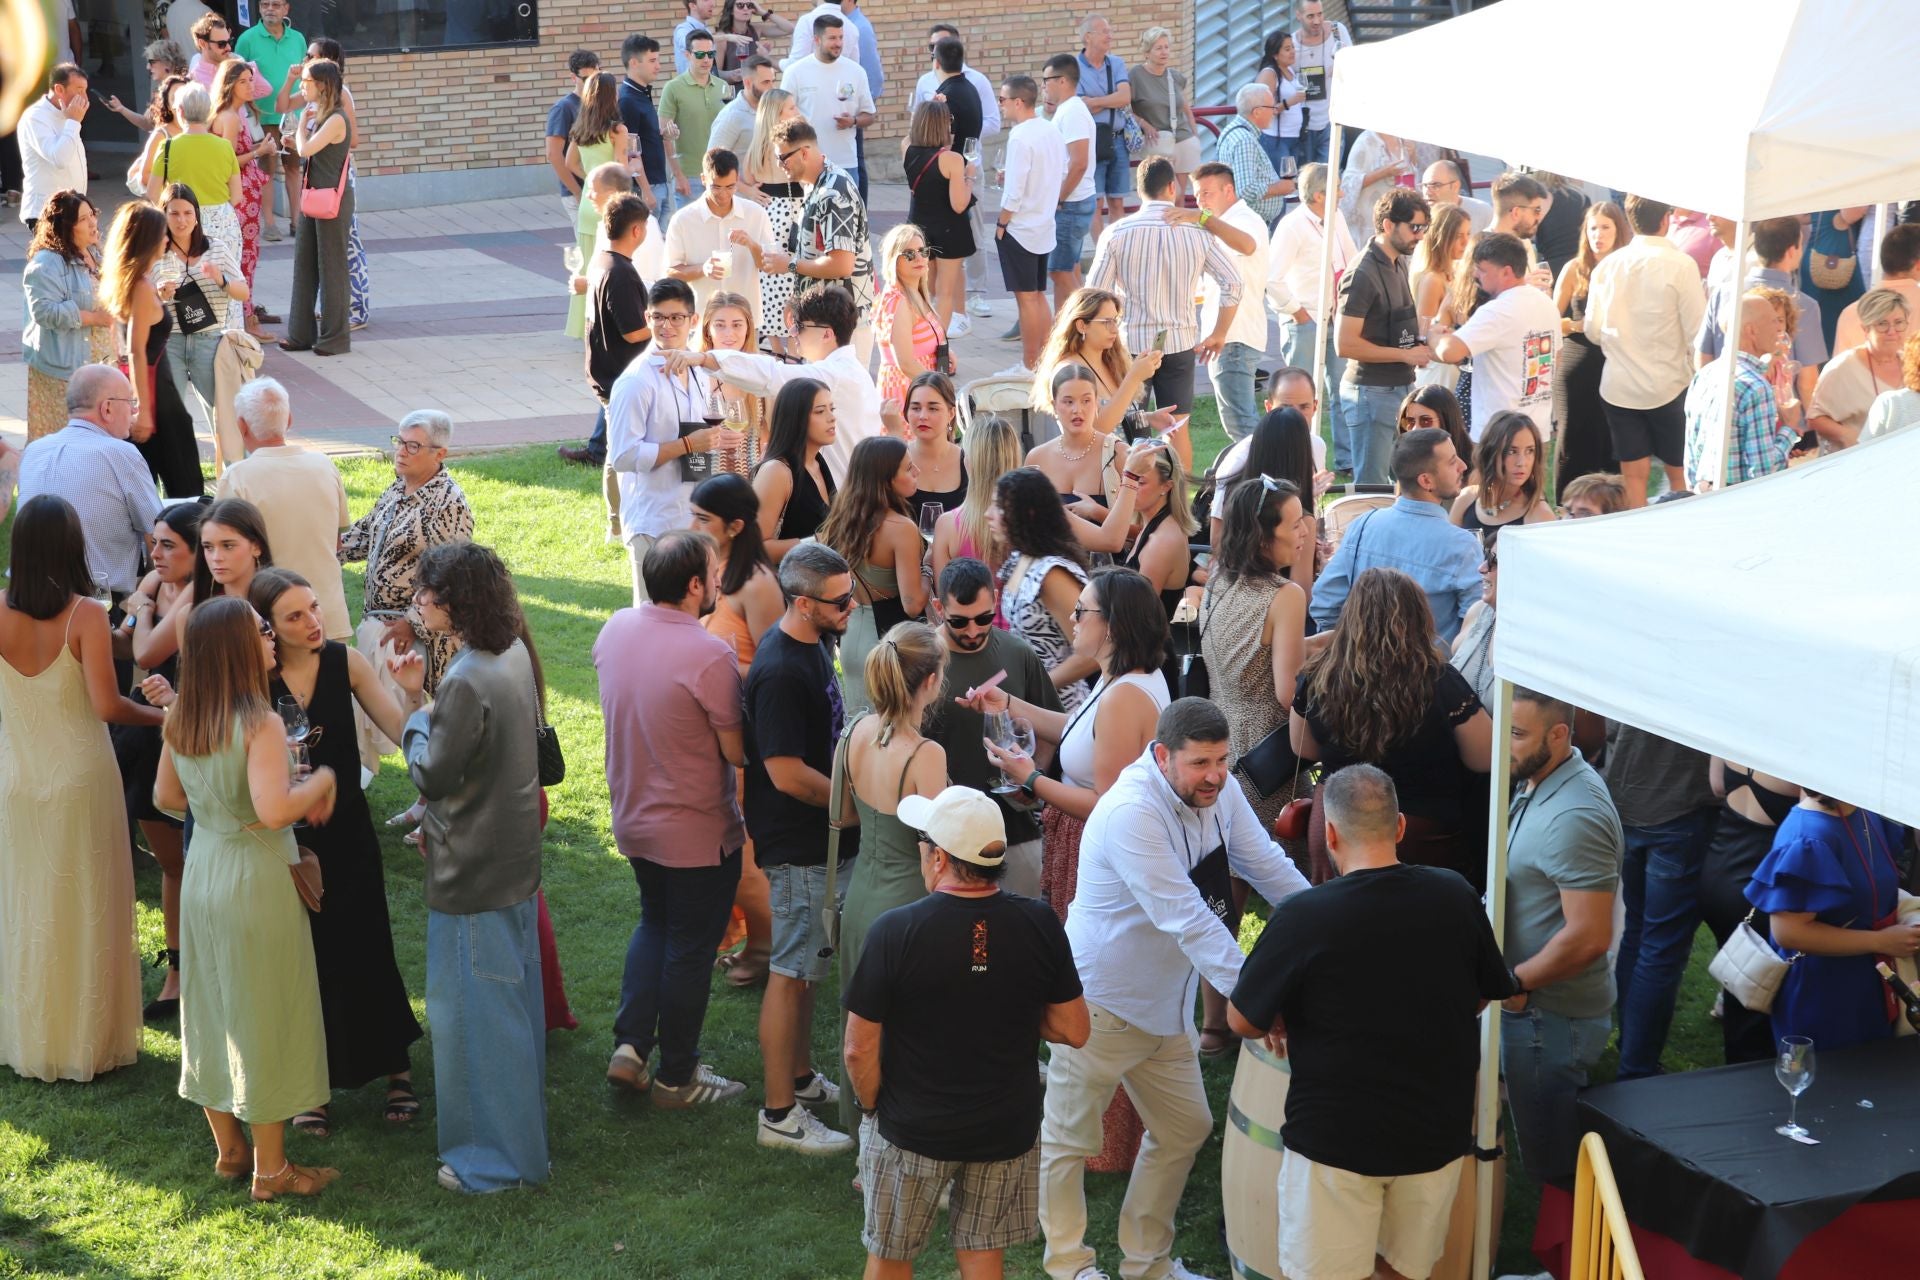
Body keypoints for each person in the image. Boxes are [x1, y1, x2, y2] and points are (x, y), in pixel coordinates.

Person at [1036, 698, 1311, 1280]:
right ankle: (1069, 1267)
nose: (1215, 775)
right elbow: (1188, 919)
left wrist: (1327, 916)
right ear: (1162, 757)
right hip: (1098, 1003)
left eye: (1221, 759)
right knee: (1067, 1140)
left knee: (1186, 1128)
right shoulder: (1129, 813)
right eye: (1200, 763)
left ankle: (1147, 1265)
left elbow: (1263, 861)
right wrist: (1257, 999)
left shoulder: (1219, 788)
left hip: (1165, 1006)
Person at [1228, 764, 1518, 1280]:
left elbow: (1240, 1020)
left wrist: (1278, 1013)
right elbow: (1485, 994)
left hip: (1335, 1141)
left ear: (1331, 833)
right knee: (1404, 1272)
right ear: (1400, 826)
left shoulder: (1303, 916)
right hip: (1435, 1134)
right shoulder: (1455, 895)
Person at [966, 565, 1171, 1175]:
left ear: (1112, 626)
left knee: (1092, 989)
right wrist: (1010, 705)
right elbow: (1074, 729)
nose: (1072, 619)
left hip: (1099, 856)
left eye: (1083, 611)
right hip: (1079, 846)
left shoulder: (1127, 694)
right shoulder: (1120, 680)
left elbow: (1108, 804)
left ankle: (1102, 1146)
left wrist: (1031, 780)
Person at [844, 785, 1088, 1280]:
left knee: (890, 1260)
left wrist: (873, 1108)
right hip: (1005, 1130)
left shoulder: (895, 931)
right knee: (982, 1262)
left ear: (938, 857)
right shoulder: (1040, 922)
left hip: (911, 1129)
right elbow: (1073, 1029)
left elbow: (857, 1048)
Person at [153, 595, 337, 1200]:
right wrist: (321, 782)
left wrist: (222, 809)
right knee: (263, 1012)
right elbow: (274, 809)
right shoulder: (260, 721)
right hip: (253, 878)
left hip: (204, 868)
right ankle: (273, 1169)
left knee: (210, 1009)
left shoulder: (183, 716)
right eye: (260, 630)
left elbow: (166, 798)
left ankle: (230, 1151)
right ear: (236, 648)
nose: (270, 638)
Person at [237, 569, 424, 1133]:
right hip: (282, 837)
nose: (314, 622)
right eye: (295, 616)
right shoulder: (252, 681)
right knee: (304, 957)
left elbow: (404, 734)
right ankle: (312, 1082)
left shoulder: (345, 663)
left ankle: (397, 1068)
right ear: (268, 627)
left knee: (368, 939)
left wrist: (412, 692)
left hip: (347, 833)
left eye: (315, 608)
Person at [389, 543, 548, 1194]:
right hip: (511, 860)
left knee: (474, 1022)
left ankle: (492, 1163)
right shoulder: (511, 652)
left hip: (471, 871)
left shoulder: (468, 676)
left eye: (425, 596)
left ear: (454, 603)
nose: (417, 606)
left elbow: (433, 769)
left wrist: (411, 712)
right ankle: (518, 1141)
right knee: (510, 1010)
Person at [0, 496, 159, 1084]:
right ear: (73, 546)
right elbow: (107, 704)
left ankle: (27, 1033)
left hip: (16, 777)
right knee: (87, 905)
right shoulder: (85, 614)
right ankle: (86, 1038)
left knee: (26, 904)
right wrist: (166, 719)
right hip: (80, 776)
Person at [596, 531, 751, 1106]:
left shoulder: (615, 628)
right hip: (696, 830)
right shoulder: (710, 652)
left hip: (633, 816)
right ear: (693, 585)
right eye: (713, 573)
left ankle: (631, 1048)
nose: (719, 581)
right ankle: (677, 1076)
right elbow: (737, 752)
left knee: (654, 924)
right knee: (690, 945)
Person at [743, 541, 860, 1156]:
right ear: (802, 602)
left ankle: (800, 1078)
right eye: (839, 602)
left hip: (821, 842)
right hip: (799, 848)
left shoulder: (813, 645)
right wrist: (851, 802)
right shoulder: (783, 670)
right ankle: (778, 1114)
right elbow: (786, 773)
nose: (851, 606)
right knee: (790, 974)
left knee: (808, 968)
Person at [1294, 567, 1492, 887]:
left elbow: (1302, 747)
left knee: (1339, 921)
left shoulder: (1318, 675)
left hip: (1338, 823)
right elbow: (1484, 757)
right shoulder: (1439, 681)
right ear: (1418, 618)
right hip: (1417, 836)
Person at [1501, 686, 1623, 1190]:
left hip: (1549, 1018)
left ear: (1559, 735)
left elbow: (1590, 936)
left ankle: (1567, 1257)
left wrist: (1515, 983)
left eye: (1517, 734)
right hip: (1534, 1009)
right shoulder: (1540, 775)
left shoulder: (1576, 816)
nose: (1505, 744)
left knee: (1556, 1162)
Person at [831, 621, 950, 1131]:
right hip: (908, 903)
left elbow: (843, 813)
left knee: (862, 1019)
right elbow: (939, 854)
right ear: (929, 682)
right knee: (909, 1029)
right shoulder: (926, 755)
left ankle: (862, 1132)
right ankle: (896, 1138)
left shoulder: (855, 729)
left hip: (860, 897)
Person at [336, 411, 474, 777]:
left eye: (414, 446)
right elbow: (363, 537)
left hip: (419, 636)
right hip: (379, 624)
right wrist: (320, 545)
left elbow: (454, 576)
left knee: (426, 723)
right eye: (399, 442)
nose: (402, 452)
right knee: (372, 715)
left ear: (439, 454)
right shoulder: (397, 489)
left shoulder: (448, 502)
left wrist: (413, 623)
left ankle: (433, 799)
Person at [1088, 156, 1247, 470]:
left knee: (1130, 429)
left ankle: (1129, 501)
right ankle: (1181, 506)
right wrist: (1218, 333)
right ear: (1173, 187)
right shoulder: (1196, 232)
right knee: (1177, 430)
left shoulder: (1117, 232)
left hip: (1131, 344)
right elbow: (1234, 282)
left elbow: (1095, 293)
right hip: (1180, 342)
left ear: (1139, 189)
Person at [690, 474, 783, 984]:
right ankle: (755, 946)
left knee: (743, 855)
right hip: (710, 737)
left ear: (736, 525)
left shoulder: (758, 585)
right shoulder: (715, 569)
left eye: (703, 519)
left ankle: (767, 952)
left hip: (744, 740)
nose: (693, 526)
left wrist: (711, 666)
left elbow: (778, 670)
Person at [923, 557, 1063, 894]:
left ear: (995, 602)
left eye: (983, 618)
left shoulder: (1017, 653)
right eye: (959, 621)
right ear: (939, 607)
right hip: (944, 837)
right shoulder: (921, 660)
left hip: (1014, 832)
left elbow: (1050, 730)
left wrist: (1031, 781)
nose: (972, 631)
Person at [606, 277, 746, 606]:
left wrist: (716, 440)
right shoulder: (636, 381)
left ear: (693, 321)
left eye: (676, 318)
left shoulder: (697, 371)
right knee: (654, 617)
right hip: (654, 521)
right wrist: (687, 446)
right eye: (659, 317)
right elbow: (623, 456)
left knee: (696, 616)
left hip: (692, 519)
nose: (666, 326)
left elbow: (698, 433)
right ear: (647, 319)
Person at [116, 501, 204, 1019]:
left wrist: (143, 605)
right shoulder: (156, 583)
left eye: (168, 544)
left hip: (193, 737)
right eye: (154, 542)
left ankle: (205, 967)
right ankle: (176, 971)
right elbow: (126, 643)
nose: (155, 552)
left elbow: (145, 650)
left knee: (198, 861)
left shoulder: (199, 593)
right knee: (171, 864)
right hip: (148, 738)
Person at [1746, 790, 1919, 1053]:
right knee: (1831, 1084)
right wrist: (1881, 940)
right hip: (1825, 994)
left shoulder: (1863, 811)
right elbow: (1789, 933)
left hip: (1869, 984)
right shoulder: (1809, 835)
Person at [1604, 719, 1720, 1082]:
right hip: (1676, 811)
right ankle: (1636, 1068)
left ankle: (1632, 1052)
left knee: (1640, 933)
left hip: (1630, 802)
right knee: (1659, 947)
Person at [681, 282, 881, 482]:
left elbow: (773, 375)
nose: (793, 334)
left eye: (799, 327)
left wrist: (703, 359)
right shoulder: (850, 371)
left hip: (846, 493)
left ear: (827, 334)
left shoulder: (832, 374)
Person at [1200, 476, 1310, 834]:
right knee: (1281, 873)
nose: (1305, 533)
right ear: (1263, 537)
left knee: (1227, 870)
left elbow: (1251, 653)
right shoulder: (1285, 595)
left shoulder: (1218, 580)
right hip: (1266, 760)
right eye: (1296, 525)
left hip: (1217, 744)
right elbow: (1288, 693)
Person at [1583, 195, 1708, 505]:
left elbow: (1592, 331)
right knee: (1680, 474)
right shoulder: (1681, 264)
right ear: (1666, 219)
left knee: (1634, 475)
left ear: (1628, 220)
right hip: (1670, 382)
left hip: (1620, 385)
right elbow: (1697, 331)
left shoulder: (1608, 266)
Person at [1310, 427, 1481, 643]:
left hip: (1360, 671)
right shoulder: (1463, 546)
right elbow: (1476, 631)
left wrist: (1353, 651)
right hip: (1433, 672)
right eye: (1452, 461)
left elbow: (1324, 604)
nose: (1463, 466)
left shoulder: (1363, 525)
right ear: (1426, 481)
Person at [216, 377, 353, 642]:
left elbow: (224, 560)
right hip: (327, 616)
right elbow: (337, 542)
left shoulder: (237, 478)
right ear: (288, 420)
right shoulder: (324, 466)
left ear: (241, 426)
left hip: (273, 623)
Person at [15, 365, 165, 597]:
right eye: (130, 402)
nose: (134, 412)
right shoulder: (121, 453)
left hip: (28, 594)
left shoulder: (34, 450)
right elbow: (156, 535)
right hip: (98, 600)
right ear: (107, 408)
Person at [97, 202, 203, 497]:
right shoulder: (141, 288)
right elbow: (136, 351)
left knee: (143, 487)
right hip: (157, 398)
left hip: (145, 393)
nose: (167, 238)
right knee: (185, 488)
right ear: (146, 240)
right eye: (161, 234)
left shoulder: (127, 283)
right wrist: (144, 411)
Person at [1699, 762, 1801, 1065]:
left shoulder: (1737, 731)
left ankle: (1739, 1078)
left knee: (1740, 992)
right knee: (1761, 1009)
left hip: (1718, 869)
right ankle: (1754, 1088)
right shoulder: (1797, 754)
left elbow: (1717, 785)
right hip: (1758, 886)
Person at [818, 435, 927, 715]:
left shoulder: (840, 521)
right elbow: (913, 603)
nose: (917, 471)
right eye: (908, 468)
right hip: (889, 642)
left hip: (851, 636)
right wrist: (929, 569)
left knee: (861, 733)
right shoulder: (900, 528)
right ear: (886, 479)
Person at [1336, 189, 1433, 485]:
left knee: (1406, 479)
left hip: (1399, 386)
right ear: (1389, 225)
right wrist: (1406, 355)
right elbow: (1345, 343)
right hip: (1370, 393)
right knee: (1372, 485)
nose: (1420, 236)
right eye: (1414, 228)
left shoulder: (1397, 260)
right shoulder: (1362, 273)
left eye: (1424, 229)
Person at [764, 120, 876, 365]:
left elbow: (841, 265)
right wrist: (796, 301)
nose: (779, 165)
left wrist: (790, 265)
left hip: (843, 326)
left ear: (804, 152)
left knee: (842, 402)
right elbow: (814, 253)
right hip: (825, 322)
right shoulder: (817, 186)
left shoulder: (833, 193)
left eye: (782, 158)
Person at [1266, 163, 1356, 467]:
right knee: (1297, 399)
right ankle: (1296, 458)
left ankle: (1346, 460)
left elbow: (1351, 259)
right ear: (1319, 195)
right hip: (1305, 324)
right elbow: (1271, 278)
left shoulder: (1336, 217)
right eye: (1337, 188)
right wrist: (1299, 314)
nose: (1342, 193)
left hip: (1336, 318)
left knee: (1344, 392)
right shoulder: (1291, 226)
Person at [1432, 232, 1561, 444]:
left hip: (1498, 433)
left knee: (1488, 479)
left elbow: (1449, 351)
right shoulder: (1546, 303)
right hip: (1536, 430)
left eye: (1482, 270)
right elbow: (1557, 358)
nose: (1475, 275)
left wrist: (1433, 335)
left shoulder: (1496, 311)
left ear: (1506, 272)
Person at [1696, 215, 1827, 412]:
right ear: (1792, 250)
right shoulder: (1804, 305)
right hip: (1778, 420)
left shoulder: (1723, 293)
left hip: (1722, 406)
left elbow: (1704, 356)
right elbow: (1807, 382)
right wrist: (1813, 426)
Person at [576, 193, 655, 516]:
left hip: (607, 370)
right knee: (619, 452)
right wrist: (670, 328)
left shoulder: (603, 262)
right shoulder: (620, 273)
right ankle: (618, 518)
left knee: (620, 446)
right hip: (617, 376)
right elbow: (633, 330)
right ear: (636, 231)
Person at [153, 183, 252, 436]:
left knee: (224, 416)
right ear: (163, 215)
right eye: (174, 213)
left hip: (208, 341)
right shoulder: (154, 254)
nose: (181, 220)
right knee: (169, 417)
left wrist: (221, 280)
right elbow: (138, 301)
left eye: (187, 213)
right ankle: (175, 474)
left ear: (197, 216)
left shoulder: (215, 248)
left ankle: (237, 472)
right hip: (169, 342)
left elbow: (243, 292)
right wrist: (158, 294)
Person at [994, 467, 1094, 712]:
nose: (989, 515)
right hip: (1028, 706)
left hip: (1060, 708)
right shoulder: (1022, 559)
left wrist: (1037, 688)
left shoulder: (1053, 575)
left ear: (1027, 514)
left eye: (999, 508)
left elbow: (1092, 653)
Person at [1030, 288, 1174, 451]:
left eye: (1115, 321)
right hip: (1096, 471)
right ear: (1082, 325)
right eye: (1106, 322)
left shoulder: (1111, 361)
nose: (1114, 329)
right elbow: (1093, 432)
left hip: (1125, 467)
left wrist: (1147, 418)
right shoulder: (1070, 371)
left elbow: (1115, 417)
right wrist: (1133, 378)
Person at [1683, 293, 1803, 489]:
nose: (1779, 329)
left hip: (1706, 496)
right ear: (1751, 331)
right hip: (1742, 503)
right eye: (1774, 321)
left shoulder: (1705, 375)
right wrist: (1789, 428)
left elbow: (1692, 454)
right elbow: (1764, 471)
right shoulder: (1755, 387)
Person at [1552, 201, 1632, 497]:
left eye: (1606, 227)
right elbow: (1551, 319)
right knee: (1573, 438)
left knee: (1611, 439)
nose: (1598, 234)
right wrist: (1578, 325)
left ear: (1619, 231)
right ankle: (1566, 503)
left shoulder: (1627, 269)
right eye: (1593, 228)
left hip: (1615, 363)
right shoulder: (1575, 268)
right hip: (1579, 363)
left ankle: (1610, 505)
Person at [22, 189, 113, 442]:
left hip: (99, 363)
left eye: (92, 214)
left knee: (96, 442)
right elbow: (44, 312)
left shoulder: (95, 253)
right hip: (63, 371)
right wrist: (95, 318)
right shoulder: (47, 262)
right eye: (84, 218)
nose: (93, 221)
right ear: (66, 226)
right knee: (60, 443)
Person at [1194, 161, 1273, 442]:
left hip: (1234, 337)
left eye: (1206, 193)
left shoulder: (1242, 219)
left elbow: (1247, 245)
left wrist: (1202, 219)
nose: (1200, 201)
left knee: (1242, 426)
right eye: (1197, 194)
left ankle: (1263, 482)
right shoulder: (1229, 221)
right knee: (1239, 423)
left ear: (1229, 190)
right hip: (1232, 335)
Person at [994, 75, 1066, 374]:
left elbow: (1015, 191)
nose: (1000, 105)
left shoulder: (1020, 136)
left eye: (1003, 100)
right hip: (1044, 224)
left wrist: (1001, 222)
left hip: (1022, 227)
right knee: (1037, 295)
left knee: (1026, 300)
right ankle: (1048, 361)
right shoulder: (1049, 130)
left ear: (1018, 102)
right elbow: (1058, 171)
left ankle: (1029, 364)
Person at [282, 60, 353, 358]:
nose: (303, 86)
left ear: (323, 84)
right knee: (305, 265)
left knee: (332, 268)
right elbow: (306, 148)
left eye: (307, 81)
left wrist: (299, 126)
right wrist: (300, 133)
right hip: (313, 197)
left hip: (332, 202)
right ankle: (300, 335)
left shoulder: (336, 118)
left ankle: (334, 339)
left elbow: (306, 149)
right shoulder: (320, 116)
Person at [1117, 445, 1197, 692]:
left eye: (1139, 482)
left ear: (1166, 486)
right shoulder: (1152, 525)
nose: (1128, 488)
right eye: (1127, 479)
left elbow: (1137, 616)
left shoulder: (1161, 540)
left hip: (1147, 666)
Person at [664, 149, 774, 328]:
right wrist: (703, 269)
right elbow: (670, 272)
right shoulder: (682, 220)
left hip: (745, 320)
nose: (723, 194)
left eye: (730, 187)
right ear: (703, 179)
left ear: (737, 179)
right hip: (702, 322)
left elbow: (770, 265)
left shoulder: (756, 214)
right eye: (716, 187)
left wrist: (751, 244)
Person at [562, 72, 632, 342]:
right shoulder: (617, 130)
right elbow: (620, 168)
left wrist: (590, 177)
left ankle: (582, 328)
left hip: (589, 202)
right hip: (609, 204)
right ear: (611, 96)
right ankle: (606, 328)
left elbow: (570, 163)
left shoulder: (581, 128)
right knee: (608, 267)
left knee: (586, 267)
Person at [145, 85, 243, 267]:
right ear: (209, 112)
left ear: (180, 111)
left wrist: (172, 212)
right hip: (223, 222)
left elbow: (152, 193)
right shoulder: (224, 146)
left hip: (181, 222)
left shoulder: (167, 147)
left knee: (183, 283)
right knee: (225, 283)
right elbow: (237, 196)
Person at [901, 100, 976, 338]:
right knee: (945, 291)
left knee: (926, 289)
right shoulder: (952, 159)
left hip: (919, 227)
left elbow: (911, 135)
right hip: (949, 229)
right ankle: (939, 346)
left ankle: (922, 336)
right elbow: (959, 204)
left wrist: (929, 107)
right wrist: (969, 176)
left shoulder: (906, 147)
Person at [233, 0, 306, 240]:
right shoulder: (247, 39)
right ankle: (270, 224)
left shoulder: (298, 39)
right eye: (265, 4)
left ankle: (297, 222)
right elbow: (236, 76)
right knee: (267, 169)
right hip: (261, 116)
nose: (269, 9)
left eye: (276, 4)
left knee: (295, 168)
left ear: (286, 9)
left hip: (292, 117)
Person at [779, 15, 874, 196]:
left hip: (846, 164)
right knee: (811, 222)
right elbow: (782, 116)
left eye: (841, 37)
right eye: (832, 38)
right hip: (807, 165)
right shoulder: (795, 72)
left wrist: (853, 121)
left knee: (847, 220)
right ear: (816, 39)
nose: (838, 43)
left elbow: (869, 115)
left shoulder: (856, 71)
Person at [1808, 287, 1910, 450]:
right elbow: (1815, 418)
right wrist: (1845, 435)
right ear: (1866, 329)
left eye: (1898, 323)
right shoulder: (1842, 368)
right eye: (1882, 324)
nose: (1892, 331)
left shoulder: (1911, 363)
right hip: (1858, 461)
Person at [209, 59, 275, 305]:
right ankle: (246, 316)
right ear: (229, 85)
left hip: (243, 193)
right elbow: (227, 162)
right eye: (243, 82)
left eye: (250, 80)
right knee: (244, 257)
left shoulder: (231, 114)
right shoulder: (230, 118)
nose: (250, 87)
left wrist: (260, 147)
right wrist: (259, 152)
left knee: (243, 256)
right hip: (240, 196)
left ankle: (245, 313)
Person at [1037, 54, 1098, 316]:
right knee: (1068, 268)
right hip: (1072, 201)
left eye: (1046, 80)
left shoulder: (1072, 111)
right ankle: (1072, 328)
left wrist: (1058, 197)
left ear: (1062, 81)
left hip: (1072, 203)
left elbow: (1079, 162)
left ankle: (1087, 322)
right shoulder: (1067, 110)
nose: (1043, 86)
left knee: (1059, 271)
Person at [929, 415, 1023, 587]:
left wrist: (926, 568)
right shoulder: (1032, 520)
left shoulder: (947, 525)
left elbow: (945, 600)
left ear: (969, 463)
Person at [751, 376, 838, 559]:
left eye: (832, 409)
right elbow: (753, 548)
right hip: (785, 583)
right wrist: (816, 542)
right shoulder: (777, 471)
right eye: (820, 411)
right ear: (796, 418)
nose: (832, 418)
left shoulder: (818, 462)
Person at [745, 87, 804, 349]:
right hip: (792, 212)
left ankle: (776, 347)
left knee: (769, 281)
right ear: (777, 115)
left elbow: (747, 177)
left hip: (768, 213)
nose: (797, 112)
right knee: (793, 279)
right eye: (792, 108)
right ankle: (792, 346)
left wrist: (751, 191)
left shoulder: (758, 143)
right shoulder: (789, 145)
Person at [873, 223, 947, 405]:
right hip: (907, 392)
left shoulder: (915, 293)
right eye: (908, 254)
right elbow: (905, 363)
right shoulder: (898, 302)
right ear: (893, 261)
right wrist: (941, 389)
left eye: (923, 251)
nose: (918, 258)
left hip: (921, 387)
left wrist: (944, 350)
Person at [1075, 12, 1133, 243]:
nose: (1111, 36)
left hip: (1117, 139)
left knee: (1117, 200)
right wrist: (1110, 99)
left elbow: (1125, 97)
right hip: (1091, 142)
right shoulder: (1074, 68)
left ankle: (1119, 250)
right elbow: (1078, 105)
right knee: (1095, 202)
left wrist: (1095, 101)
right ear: (1088, 37)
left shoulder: (1117, 63)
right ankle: (1103, 254)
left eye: (1110, 31)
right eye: (1105, 32)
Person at [1449, 410, 1556, 531]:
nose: (1522, 462)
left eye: (1530, 450)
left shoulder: (1540, 516)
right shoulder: (1466, 499)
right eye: (1512, 451)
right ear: (1490, 453)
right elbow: (1446, 547)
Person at [1131, 28, 1200, 205]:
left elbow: (1184, 106)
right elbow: (1125, 108)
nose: (1164, 52)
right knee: (1168, 195)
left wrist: (1194, 133)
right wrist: (1143, 123)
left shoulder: (1175, 76)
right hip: (1158, 142)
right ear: (1147, 52)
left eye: (1166, 47)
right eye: (1158, 48)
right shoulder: (1135, 76)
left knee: (1180, 197)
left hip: (1183, 139)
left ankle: (1176, 231)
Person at [17, 65, 89, 233]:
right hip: (47, 213)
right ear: (59, 89)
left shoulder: (69, 114)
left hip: (73, 209)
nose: (85, 98)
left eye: (85, 90)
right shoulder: (35, 117)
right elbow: (59, 159)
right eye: (79, 90)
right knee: (54, 259)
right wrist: (73, 122)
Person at [661, 31, 729, 205]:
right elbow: (665, 135)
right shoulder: (673, 88)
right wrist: (678, 175)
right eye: (699, 54)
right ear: (687, 55)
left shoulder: (723, 87)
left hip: (720, 174)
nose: (706, 59)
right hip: (689, 176)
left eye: (710, 54)